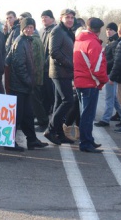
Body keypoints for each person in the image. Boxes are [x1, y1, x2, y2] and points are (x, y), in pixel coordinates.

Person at [7, 17, 49, 150]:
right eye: (27, 27)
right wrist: (29, 81)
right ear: (22, 28)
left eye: (31, 27)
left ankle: (32, 140)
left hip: (24, 86)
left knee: (28, 115)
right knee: (17, 116)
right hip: (19, 86)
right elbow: (19, 66)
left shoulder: (27, 41)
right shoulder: (20, 42)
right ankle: (9, 142)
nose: (30, 30)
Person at [73, 17, 108, 153]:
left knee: (85, 114)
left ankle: (88, 139)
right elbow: (97, 67)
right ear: (99, 30)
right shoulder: (93, 43)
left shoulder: (79, 40)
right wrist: (104, 80)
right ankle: (86, 142)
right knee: (88, 115)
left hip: (80, 81)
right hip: (90, 82)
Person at [43, 9, 76, 145]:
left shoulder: (67, 32)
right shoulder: (57, 31)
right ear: (61, 18)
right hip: (60, 72)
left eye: (72, 17)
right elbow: (54, 51)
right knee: (68, 101)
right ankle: (50, 130)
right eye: (67, 17)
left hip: (66, 72)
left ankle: (59, 133)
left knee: (59, 103)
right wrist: (70, 64)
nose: (70, 20)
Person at [95, 22, 121, 127]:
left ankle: (106, 119)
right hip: (109, 72)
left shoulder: (115, 43)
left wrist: (104, 63)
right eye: (107, 29)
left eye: (110, 29)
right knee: (114, 98)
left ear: (116, 31)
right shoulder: (110, 42)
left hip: (111, 73)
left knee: (109, 97)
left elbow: (116, 60)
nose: (108, 31)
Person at [40, 10, 56, 116]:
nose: (44, 19)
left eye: (46, 17)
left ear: (52, 19)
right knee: (44, 92)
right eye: (42, 17)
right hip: (42, 68)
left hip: (50, 68)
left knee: (51, 93)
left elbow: (52, 52)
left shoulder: (54, 31)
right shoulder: (43, 31)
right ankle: (45, 113)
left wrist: (44, 64)